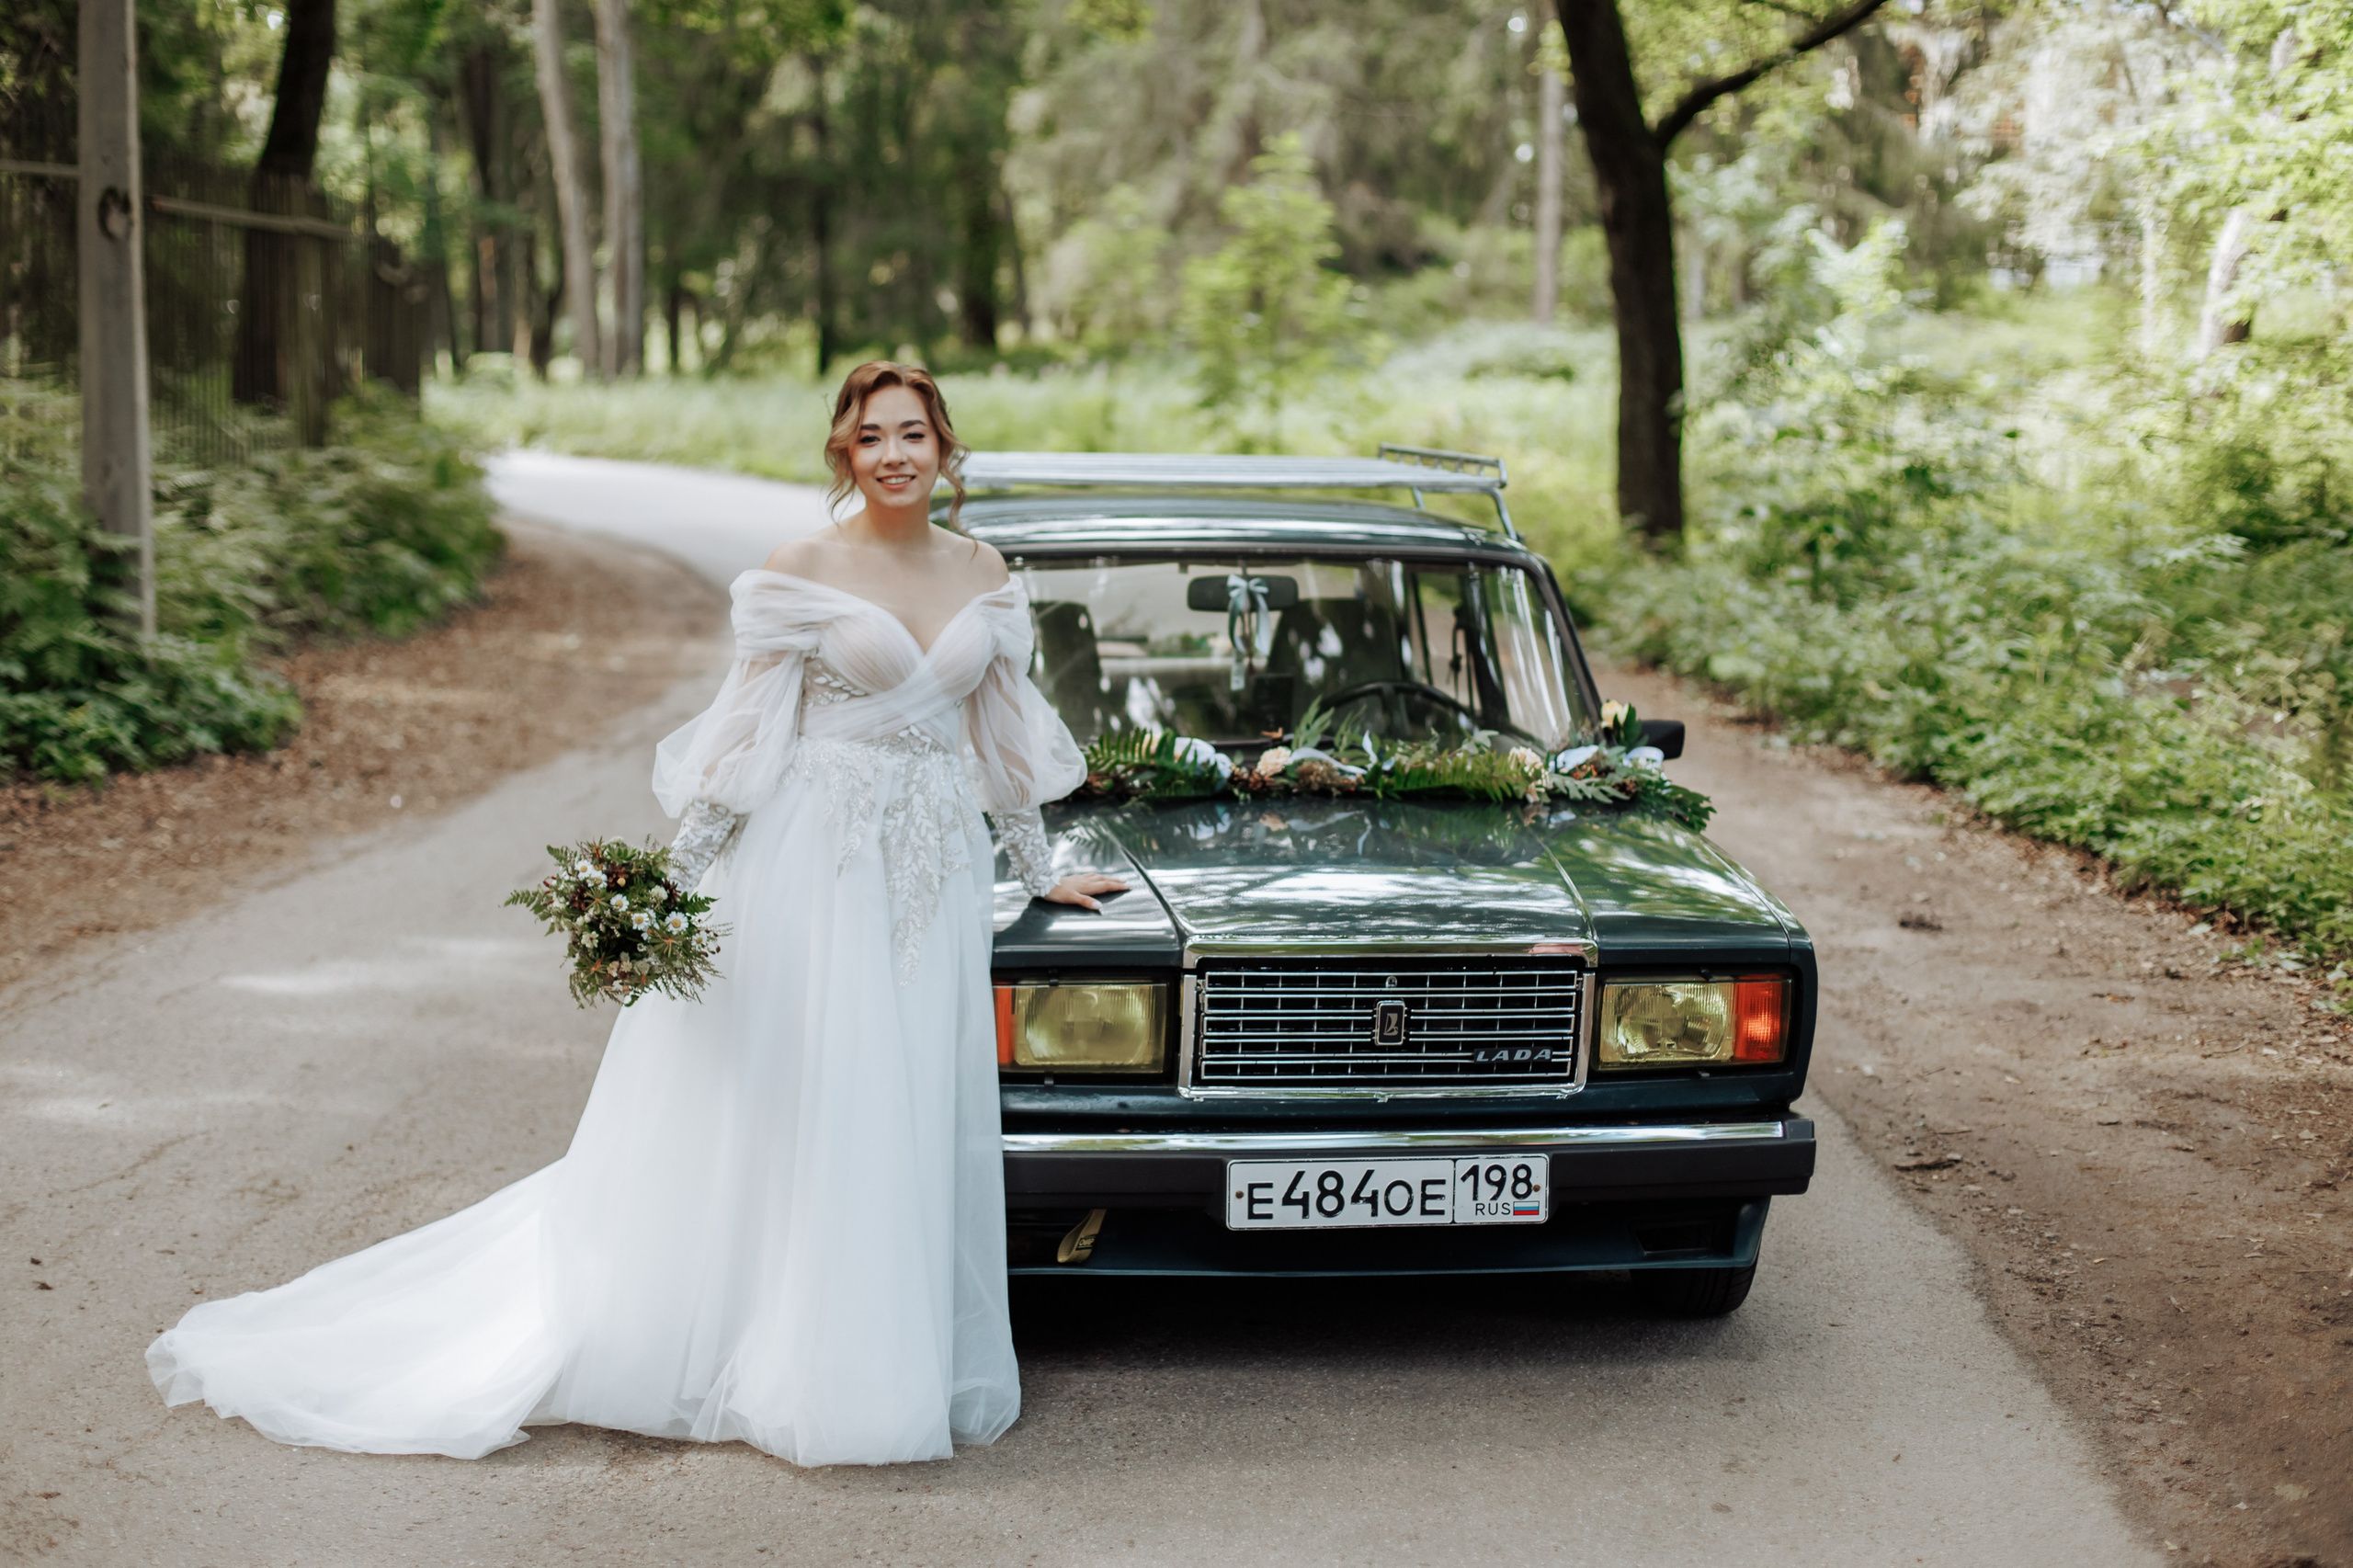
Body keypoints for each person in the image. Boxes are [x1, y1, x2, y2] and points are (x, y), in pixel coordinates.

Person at [146, 361, 1127, 1466]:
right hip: (814, 859)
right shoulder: (800, 569)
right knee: (811, 1092)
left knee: (901, 1093)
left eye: (912, 433)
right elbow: (745, 737)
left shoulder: (983, 571)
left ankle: (897, 1349)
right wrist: (671, 883)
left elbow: (1001, 735)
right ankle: (796, 1354)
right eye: (869, 437)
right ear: (843, 454)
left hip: (937, 868)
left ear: (945, 445)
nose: (893, 454)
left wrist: (1038, 867)